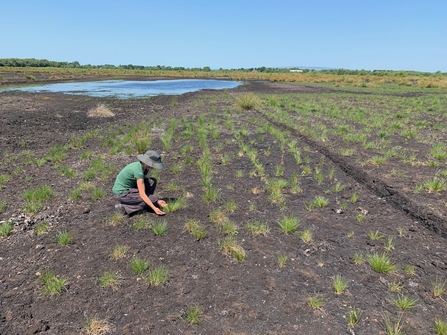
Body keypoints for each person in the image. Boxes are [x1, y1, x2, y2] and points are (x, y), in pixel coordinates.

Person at [112, 150, 167, 216]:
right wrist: (155, 205)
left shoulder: (144, 168)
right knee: (152, 199)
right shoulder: (138, 170)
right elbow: (142, 194)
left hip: (131, 188)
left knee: (152, 181)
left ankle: (143, 202)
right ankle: (124, 208)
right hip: (122, 193)